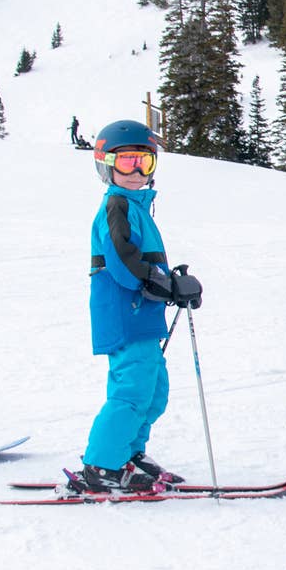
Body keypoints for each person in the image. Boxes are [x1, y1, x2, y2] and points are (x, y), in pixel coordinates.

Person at [66, 120, 203, 494]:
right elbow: (124, 263)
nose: (138, 171)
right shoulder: (117, 206)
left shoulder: (136, 206)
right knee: (132, 391)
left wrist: (173, 287)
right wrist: (165, 284)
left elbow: (143, 264)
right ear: (106, 165)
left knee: (153, 389)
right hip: (124, 314)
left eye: (145, 162)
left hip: (141, 314)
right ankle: (102, 465)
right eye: (127, 162)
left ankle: (128, 452)